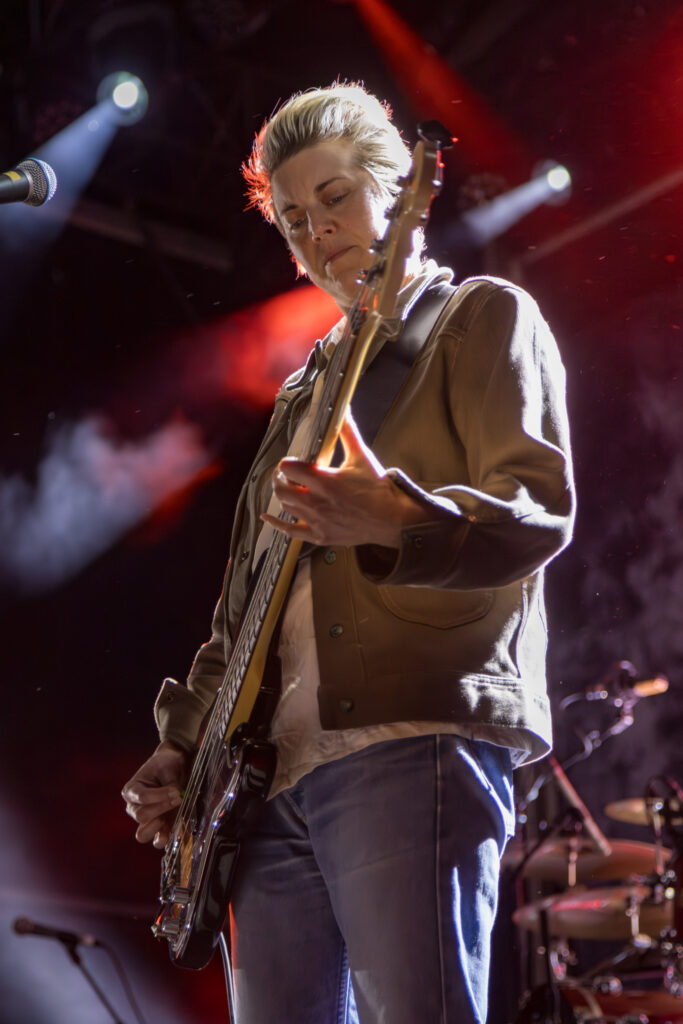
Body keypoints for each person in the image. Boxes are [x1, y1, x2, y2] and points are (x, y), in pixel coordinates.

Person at [122, 82, 575, 1024]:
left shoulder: (479, 316)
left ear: (397, 190)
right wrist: (184, 744)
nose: (316, 229)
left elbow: (535, 513)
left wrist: (392, 518)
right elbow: (241, 613)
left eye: (333, 197)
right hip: (263, 783)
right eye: (293, 219)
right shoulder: (299, 397)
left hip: (407, 742)